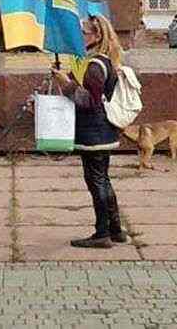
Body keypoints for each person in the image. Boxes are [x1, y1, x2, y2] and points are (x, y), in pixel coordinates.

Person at [50, 15, 128, 249]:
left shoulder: (95, 66)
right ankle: (115, 230)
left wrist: (66, 84)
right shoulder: (103, 61)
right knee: (102, 179)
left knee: (96, 182)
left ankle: (102, 233)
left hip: (95, 133)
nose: (79, 36)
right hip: (102, 131)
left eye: (83, 32)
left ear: (97, 36)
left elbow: (90, 101)